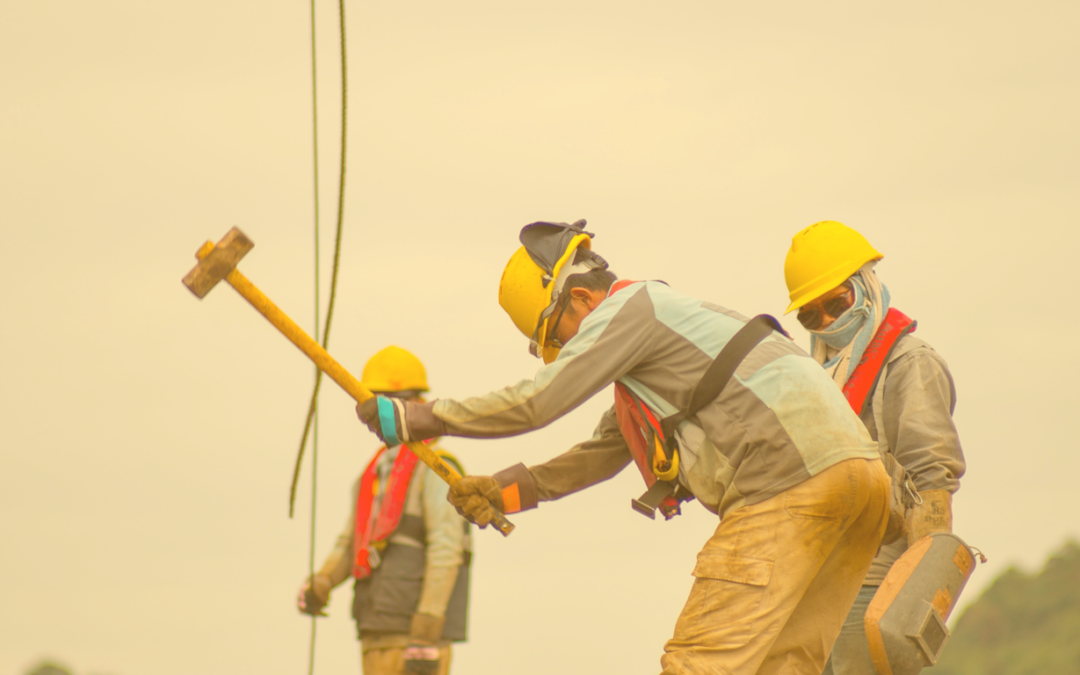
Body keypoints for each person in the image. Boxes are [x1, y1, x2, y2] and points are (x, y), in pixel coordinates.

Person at [357, 220, 891, 675]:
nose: (570, 354)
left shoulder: (630, 309)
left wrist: (420, 418)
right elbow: (607, 449)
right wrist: (505, 492)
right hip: (858, 483)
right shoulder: (670, 333)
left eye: (564, 341)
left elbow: (538, 402)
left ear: (583, 299)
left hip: (787, 486)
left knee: (697, 664)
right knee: (781, 668)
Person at [783, 221, 965, 675]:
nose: (827, 321)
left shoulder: (910, 364)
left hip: (879, 581)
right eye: (811, 315)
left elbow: (932, 482)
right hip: (820, 579)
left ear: (865, 286)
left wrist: (913, 600)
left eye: (836, 302)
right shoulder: (821, 378)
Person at [298, 346, 472, 675]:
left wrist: (426, 632)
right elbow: (353, 543)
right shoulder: (375, 473)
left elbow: (446, 550)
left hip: (415, 639)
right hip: (376, 627)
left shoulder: (437, 470)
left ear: (417, 405)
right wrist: (322, 582)